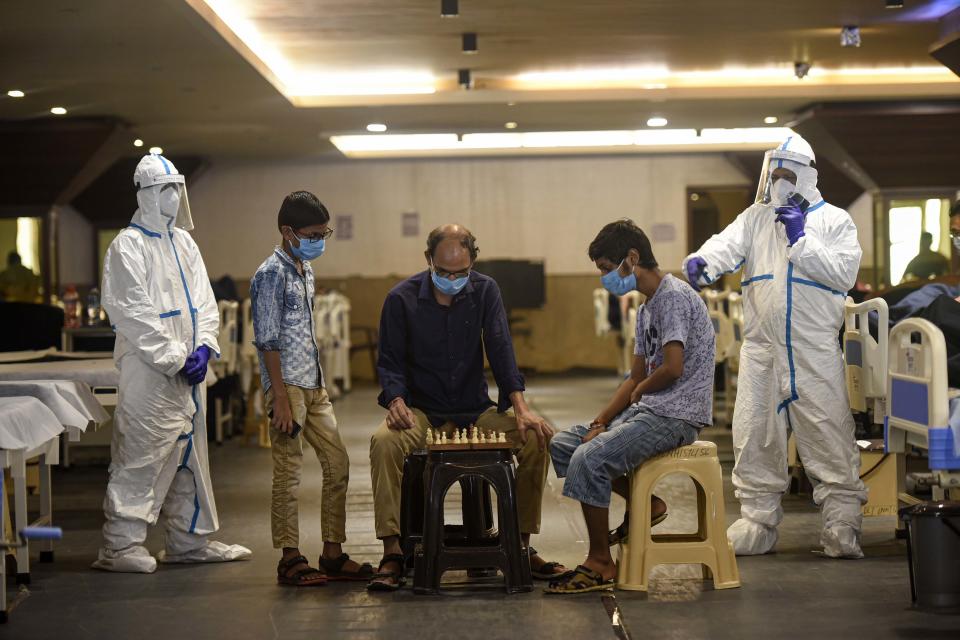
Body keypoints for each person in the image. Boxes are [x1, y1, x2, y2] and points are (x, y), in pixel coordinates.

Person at [684, 134, 867, 559]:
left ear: (807, 176)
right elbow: (724, 245)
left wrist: (802, 239)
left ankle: (842, 524)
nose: (780, 181)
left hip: (813, 348)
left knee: (827, 433)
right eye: (775, 173)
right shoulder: (755, 218)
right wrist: (703, 262)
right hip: (762, 349)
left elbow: (843, 273)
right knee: (754, 435)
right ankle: (757, 521)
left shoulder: (834, 220)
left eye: (788, 174)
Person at [367, 224, 563, 591]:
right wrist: (395, 401)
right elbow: (389, 360)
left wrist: (520, 407)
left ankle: (519, 546)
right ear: (429, 260)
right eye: (443, 273)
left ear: (473, 261)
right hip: (423, 412)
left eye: (461, 273)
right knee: (384, 443)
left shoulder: (485, 289)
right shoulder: (401, 299)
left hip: (474, 411)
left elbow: (501, 347)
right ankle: (392, 552)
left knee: (535, 438)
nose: (453, 280)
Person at [94, 154, 251, 573]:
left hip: (189, 372)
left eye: (176, 189)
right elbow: (132, 312)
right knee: (142, 454)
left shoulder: (183, 242)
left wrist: (203, 347)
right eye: (165, 189)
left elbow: (204, 302)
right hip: (150, 372)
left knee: (190, 458)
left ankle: (188, 539)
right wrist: (175, 358)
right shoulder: (127, 246)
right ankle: (119, 546)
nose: (174, 197)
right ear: (146, 195)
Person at [545, 220, 715, 594]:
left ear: (632, 258)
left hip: (676, 414)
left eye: (607, 268)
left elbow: (672, 368)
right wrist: (602, 419)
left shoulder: (673, 297)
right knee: (563, 443)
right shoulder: (646, 309)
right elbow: (634, 376)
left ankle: (600, 562)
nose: (605, 277)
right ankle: (648, 504)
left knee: (589, 458)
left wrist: (640, 392)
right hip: (649, 410)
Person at [251, 191, 373, 586]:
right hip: (287, 386)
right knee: (287, 472)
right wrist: (281, 399)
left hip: (315, 383)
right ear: (288, 231)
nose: (320, 240)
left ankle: (332, 553)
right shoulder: (271, 274)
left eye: (325, 233)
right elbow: (267, 340)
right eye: (314, 233)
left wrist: (318, 385)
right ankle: (289, 559)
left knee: (337, 464)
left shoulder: (304, 268)